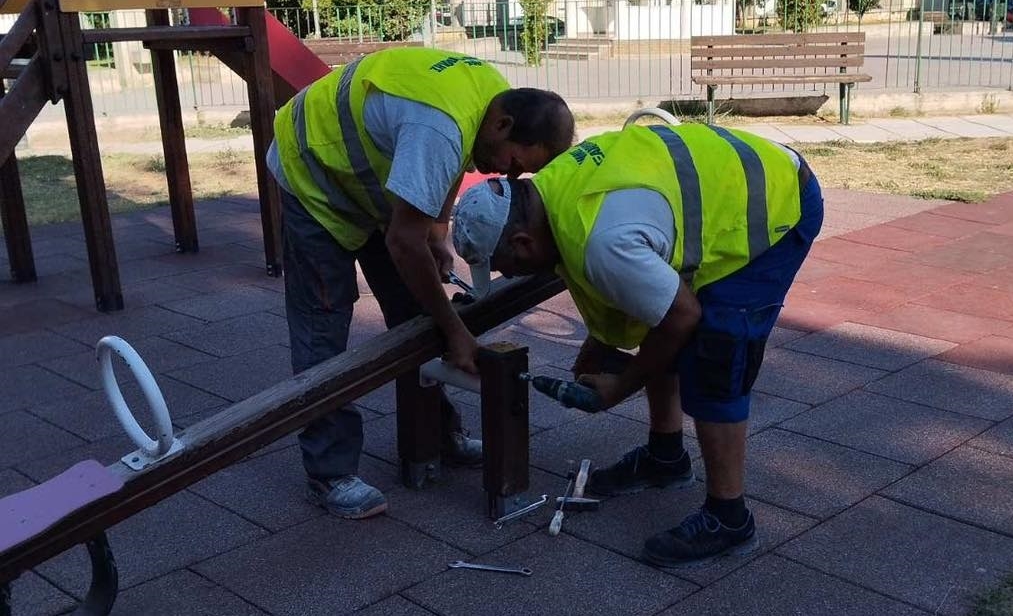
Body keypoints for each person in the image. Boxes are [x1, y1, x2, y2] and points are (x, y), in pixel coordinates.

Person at [450, 122, 822, 567]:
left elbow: (680, 316)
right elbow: (647, 301)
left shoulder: (606, 241)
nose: (508, 276)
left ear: (523, 241)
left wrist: (619, 387)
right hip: (730, 181)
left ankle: (730, 518)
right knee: (661, 320)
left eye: (504, 266)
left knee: (716, 356)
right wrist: (600, 340)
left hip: (777, 202)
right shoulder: (553, 188)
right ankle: (665, 460)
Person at [267, 46, 575, 520]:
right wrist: (456, 331)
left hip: (369, 183)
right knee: (323, 327)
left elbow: (449, 168)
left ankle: (435, 434)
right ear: (504, 126)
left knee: (415, 310)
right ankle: (330, 473)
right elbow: (405, 237)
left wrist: (435, 229)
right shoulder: (441, 126)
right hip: (314, 175)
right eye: (514, 163)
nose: (507, 175)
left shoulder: (490, 99)